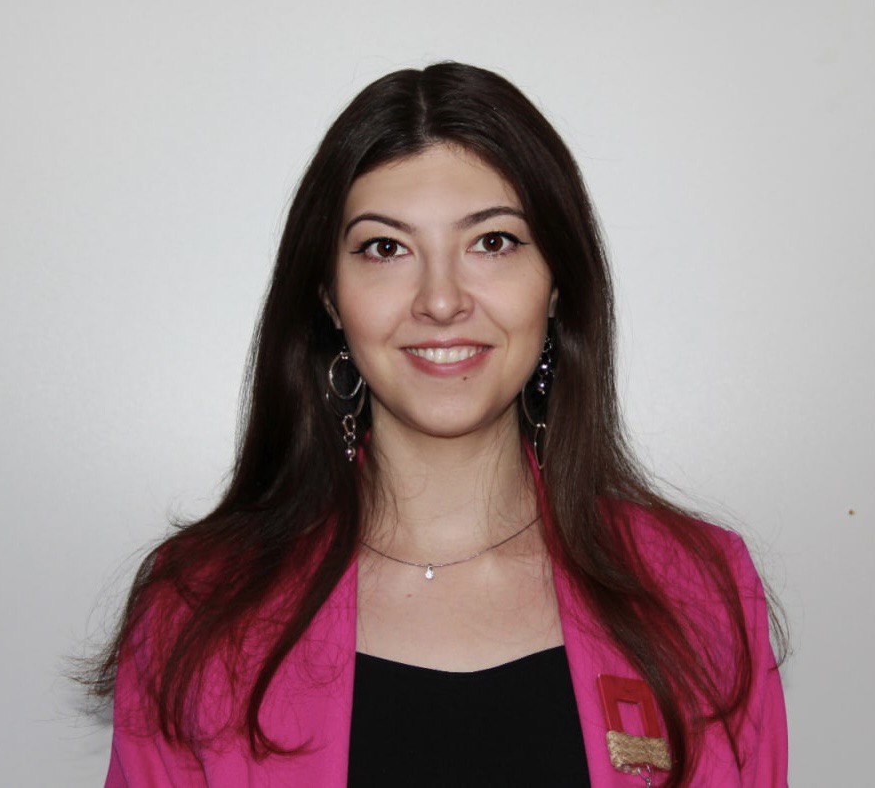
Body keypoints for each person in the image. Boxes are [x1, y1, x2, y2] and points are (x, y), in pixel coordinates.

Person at [89, 61, 788, 786]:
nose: (442, 300)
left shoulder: (699, 588)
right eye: (385, 248)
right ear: (328, 296)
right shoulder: (195, 606)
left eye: (493, 242)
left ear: (557, 283)